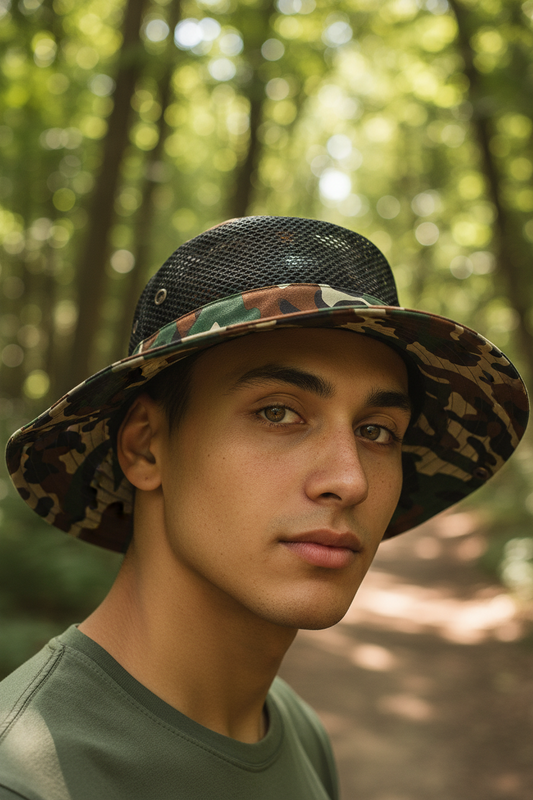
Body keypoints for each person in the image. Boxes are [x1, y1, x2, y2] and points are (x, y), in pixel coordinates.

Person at [0, 216, 528, 799]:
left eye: (378, 431)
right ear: (146, 446)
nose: (350, 480)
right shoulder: (30, 778)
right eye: (278, 413)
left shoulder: (293, 730)